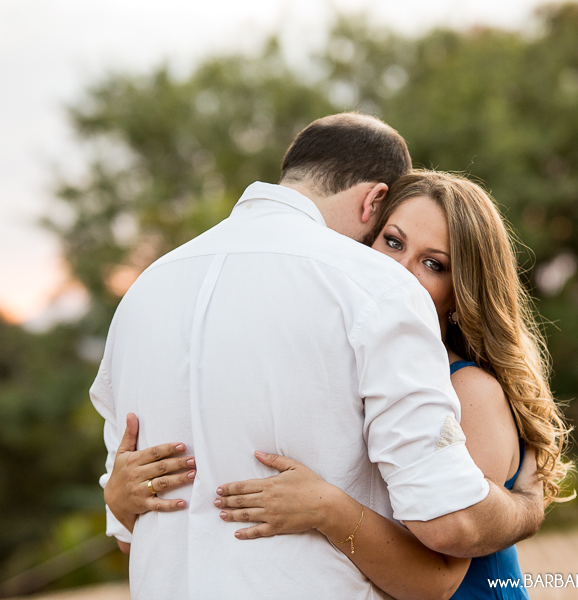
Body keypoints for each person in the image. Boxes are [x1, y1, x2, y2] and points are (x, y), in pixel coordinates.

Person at [91, 113, 547, 600]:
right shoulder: (365, 294)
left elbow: (445, 550)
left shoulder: (144, 292)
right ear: (374, 204)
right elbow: (136, 527)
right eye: (392, 241)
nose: (401, 270)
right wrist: (119, 497)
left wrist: (329, 509)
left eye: (433, 263)